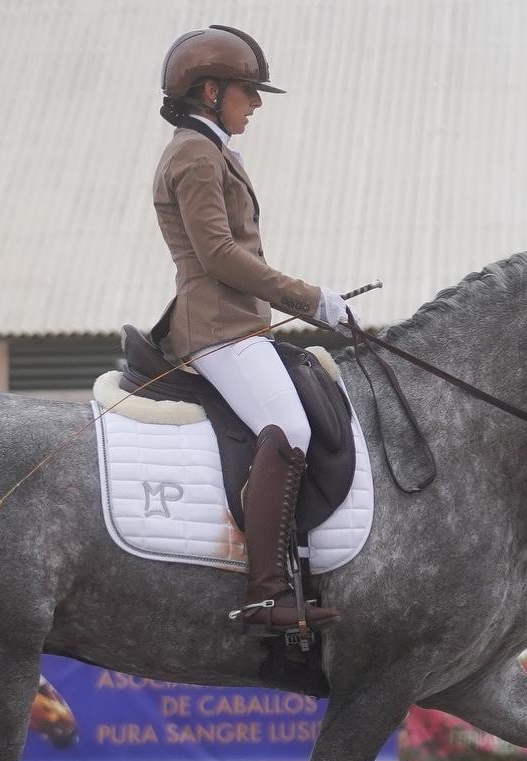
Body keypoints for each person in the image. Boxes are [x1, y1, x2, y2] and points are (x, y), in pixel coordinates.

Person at [153, 25, 348, 635]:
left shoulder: (210, 152)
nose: (256, 103)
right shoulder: (193, 154)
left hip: (239, 323)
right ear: (211, 93)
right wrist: (307, 296)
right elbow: (218, 255)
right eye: (248, 91)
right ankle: (265, 594)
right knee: (286, 426)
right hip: (216, 328)